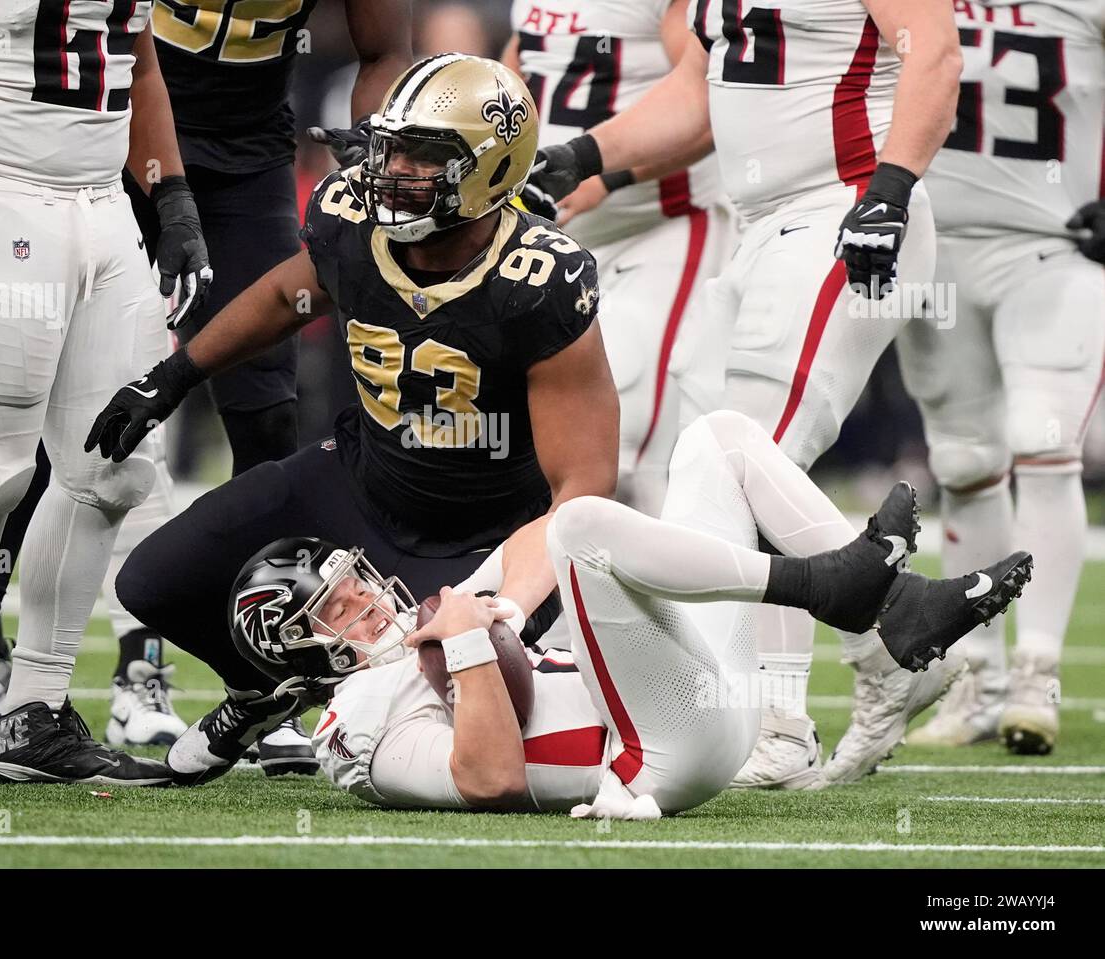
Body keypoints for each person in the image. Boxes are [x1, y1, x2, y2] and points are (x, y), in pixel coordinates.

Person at [86, 54, 620, 786]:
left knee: (441, 707)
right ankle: (272, 688)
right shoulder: (352, 219)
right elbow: (285, 297)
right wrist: (175, 375)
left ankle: (350, 685)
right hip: (362, 482)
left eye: (422, 156)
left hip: (481, 539)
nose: (392, 170)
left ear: (492, 171)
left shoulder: (538, 282)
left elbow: (581, 491)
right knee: (154, 581)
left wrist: (503, 603)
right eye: (390, 147)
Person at [528, 0, 965, 787]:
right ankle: (889, 634)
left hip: (846, 207)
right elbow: (701, 94)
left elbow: (934, 51)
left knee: (752, 455)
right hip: (761, 227)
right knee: (722, 461)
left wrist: (892, 188)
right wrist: (583, 152)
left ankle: (787, 719)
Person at [227, 410, 1032, 815]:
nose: (369, 598)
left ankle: (896, 621)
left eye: (358, 581)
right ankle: (837, 591)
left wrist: (503, 601)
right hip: (650, 760)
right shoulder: (358, 723)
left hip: (694, 703)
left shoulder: (424, 631)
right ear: (305, 656)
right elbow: (488, 778)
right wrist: (475, 646)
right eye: (339, 608)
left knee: (718, 438)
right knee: (587, 528)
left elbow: (541, 530)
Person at [0, 0, 209, 785]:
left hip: (106, 207)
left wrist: (174, 195)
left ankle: (35, 711)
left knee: (112, 469)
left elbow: (138, 63)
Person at [902, 0, 1105, 757]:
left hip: (1050, 249)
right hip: (935, 249)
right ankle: (979, 680)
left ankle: (1037, 674)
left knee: (1043, 442)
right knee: (962, 460)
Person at [504, 0, 735, 514]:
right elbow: (513, 77)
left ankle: (670, 585)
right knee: (536, 442)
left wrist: (607, 177)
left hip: (659, 226)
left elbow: (709, 105)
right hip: (548, 240)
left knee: (625, 444)